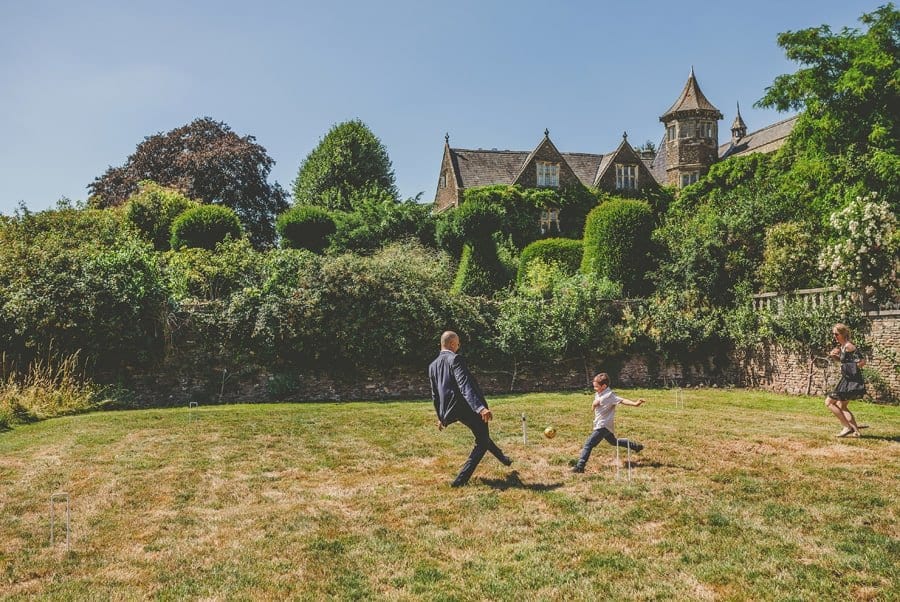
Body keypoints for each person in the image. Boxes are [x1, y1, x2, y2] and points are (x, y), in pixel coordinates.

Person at [428, 331, 512, 487]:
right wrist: (479, 408)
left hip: (453, 410)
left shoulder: (432, 365)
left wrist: (441, 416)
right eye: (458, 343)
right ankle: (460, 481)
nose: (459, 346)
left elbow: (435, 395)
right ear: (452, 344)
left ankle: (504, 459)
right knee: (482, 442)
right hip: (467, 407)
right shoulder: (455, 359)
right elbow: (464, 384)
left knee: (482, 435)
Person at [572, 373, 645, 474]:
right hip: (601, 423)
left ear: (604, 386)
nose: (594, 388)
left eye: (596, 386)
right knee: (614, 442)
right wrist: (594, 405)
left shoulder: (609, 395)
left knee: (588, 444)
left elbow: (622, 400)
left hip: (603, 425)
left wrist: (635, 404)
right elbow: (596, 403)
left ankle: (580, 466)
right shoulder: (599, 392)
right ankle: (635, 446)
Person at [825, 323, 867, 438]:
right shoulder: (843, 347)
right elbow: (845, 362)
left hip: (851, 381)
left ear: (843, 334)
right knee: (841, 405)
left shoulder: (849, 346)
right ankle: (856, 431)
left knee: (829, 402)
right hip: (846, 379)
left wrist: (847, 367)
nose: (834, 336)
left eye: (836, 334)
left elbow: (862, 362)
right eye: (833, 334)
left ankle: (847, 427)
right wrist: (835, 357)